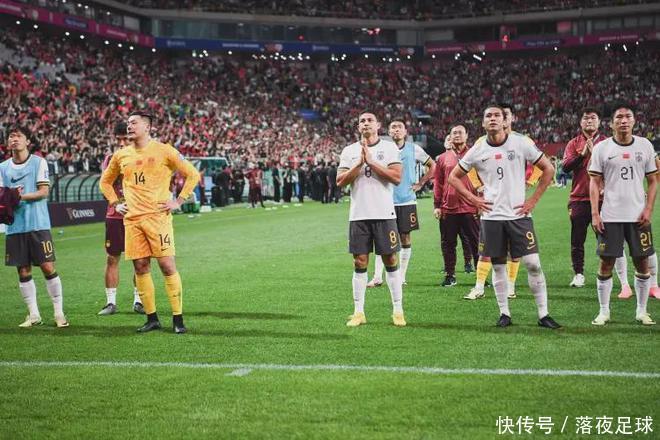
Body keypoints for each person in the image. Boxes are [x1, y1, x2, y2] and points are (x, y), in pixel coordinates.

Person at [448, 105, 561, 329]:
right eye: (488, 116)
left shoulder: (521, 143)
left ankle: (543, 314)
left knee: (533, 264)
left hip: (519, 216)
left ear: (505, 120)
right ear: (483, 123)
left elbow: (548, 168)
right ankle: (504, 313)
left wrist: (533, 200)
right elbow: (454, 177)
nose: (492, 119)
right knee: (498, 266)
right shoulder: (478, 149)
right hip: (491, 218)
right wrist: (473, 199)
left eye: (497, 115)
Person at [100, 112, 200, 334]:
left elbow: (193, 174)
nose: (129, 126)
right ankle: (152, 318)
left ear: (147, 127)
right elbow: (105, 182)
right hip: (132, 221)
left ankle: (178, 319)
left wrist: (178, 201)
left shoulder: (164, 150)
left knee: (167, 265)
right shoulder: (120, 155)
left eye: (134, 122)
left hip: (158, 219)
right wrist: (115, 203)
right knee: (141, 266)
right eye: (128, 123)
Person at [588, 105, 657, 326]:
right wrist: (595, 213)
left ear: (634, 121)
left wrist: (648, 209)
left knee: (642, 264)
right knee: (605, 264)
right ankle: (604, 312)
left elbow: (653, 180)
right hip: (610, 216)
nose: (624, 120)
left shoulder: (645, 145)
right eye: (619, 117)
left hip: (638, 217)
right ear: (611, 123)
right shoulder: (602, 148)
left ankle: (641, 311)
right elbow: (594, 182)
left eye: (628, 116)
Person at [337, 111, 405, 327]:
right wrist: (359, 163)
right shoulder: (349, 151)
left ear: (378, 125)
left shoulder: (389, 148)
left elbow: (396, 177)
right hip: (359, 215)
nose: (365, 123)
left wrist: (372, 162)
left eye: (369, 120)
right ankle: (359, 312)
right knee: (359, 261)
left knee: (390, 260)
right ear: (358, 127)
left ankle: (398, 310)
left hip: (384, 213)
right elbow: (340, 181)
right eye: (362, 121)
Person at [0, 126, 68, 328]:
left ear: (27, 141)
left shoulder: (38, 162)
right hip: (15, 226)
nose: (14, 139)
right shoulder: (3, 167)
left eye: (18, 136)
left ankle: (59, 313)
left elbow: (43, 191)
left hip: (38, 224)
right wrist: (8, 197)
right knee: (23, 270)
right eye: (11, 136)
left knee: (47, 266)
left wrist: (17, 196)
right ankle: (34, 314)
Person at [367, 117, 434, 287]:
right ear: (389, 132)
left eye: (399, 127)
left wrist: (421, 183)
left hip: (406, 200)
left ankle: (401, 276)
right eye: (393, 127)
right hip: (385, 200)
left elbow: (432, 165)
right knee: (382, 238)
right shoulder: (383, 149)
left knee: (405, 237)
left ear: (405, 132)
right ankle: (377, 276)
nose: (396, 130)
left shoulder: (414, 149)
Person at [98, 122, 144, 315]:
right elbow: (105, 185)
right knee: (112, 258)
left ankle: (139, 301)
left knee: (140, 260)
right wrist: (116, 203)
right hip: (115, 216)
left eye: (125, 139)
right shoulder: (111, 159)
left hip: (138, 215)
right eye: (119, 140)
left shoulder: (143, 157)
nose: (122, 143)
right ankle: (111, 303)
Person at [433, 124, 479, 287]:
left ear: (467, 135)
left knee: (476, 242)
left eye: (460, 132)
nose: (457, 135)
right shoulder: (442, 158)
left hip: (471, 206)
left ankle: (481, 277)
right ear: (450, 137)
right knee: (448, 243)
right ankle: (450, 275)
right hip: (448, 207)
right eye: (454, 133)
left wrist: (481, 201)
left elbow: (483, 179)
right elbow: (438, 183)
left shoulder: (475, 154)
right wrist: (437, 205)